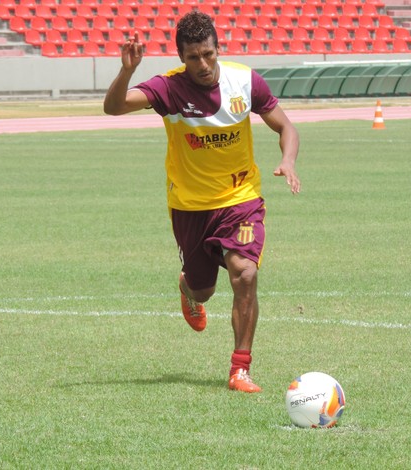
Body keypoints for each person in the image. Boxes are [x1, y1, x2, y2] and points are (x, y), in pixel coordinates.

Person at [103, 11, 300, 393]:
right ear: (181, 57)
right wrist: (127, 71)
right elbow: (114, 107)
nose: (203, 64)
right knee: (202, 290)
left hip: (241, 199)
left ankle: (240, 369)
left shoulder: (244, 81)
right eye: (193, 57)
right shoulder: (168, 88)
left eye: (208, 54)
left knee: (245, 273)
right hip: (190, 207)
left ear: (217, 48)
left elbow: (285, 126)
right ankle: (187, 288)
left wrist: (287, 160)